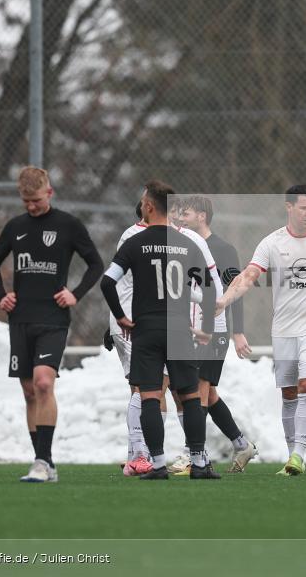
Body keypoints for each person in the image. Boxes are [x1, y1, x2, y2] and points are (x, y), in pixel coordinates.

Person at [215, 185, 306, 476]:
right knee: (289, 392)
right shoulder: (272, 243)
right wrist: (224, 300)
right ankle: (294, 453)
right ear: (289, 207)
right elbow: (248, 276)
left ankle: (297, 456)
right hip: (284, 328)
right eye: (303, 207)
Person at [0, 166, 104, 483]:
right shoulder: (15, 227)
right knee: (27, 392)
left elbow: (96, 263)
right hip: (21, 319)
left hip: (53, 319)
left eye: (36, 200)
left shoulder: (68, 225)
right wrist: (1, 295)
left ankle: (43, 461)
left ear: (49, 193)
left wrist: (75, 293)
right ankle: (44, 463)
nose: (31, 206)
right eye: (26, 201)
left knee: (43, 383)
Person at [100, 180, 219, 480]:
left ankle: (157, 465)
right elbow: (208, 290)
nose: (140, 205)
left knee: (150, 396)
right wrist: (204, 327)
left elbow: (107, 282)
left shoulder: (133, 241)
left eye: (142, 201)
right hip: (179, 328)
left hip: (146, 329)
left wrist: (120, 317)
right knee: (190, 397)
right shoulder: (188, 242)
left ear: (149, 206)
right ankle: (200, 464)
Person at [174, 195, 258, 474]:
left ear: (201, 216)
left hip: (217, 331)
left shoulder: (223, 249)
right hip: (191, 330)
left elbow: (238, 290)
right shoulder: (182, 246)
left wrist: (239, 331)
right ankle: (241, 444)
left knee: (197, 391)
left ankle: (191, 454)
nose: (180, 218)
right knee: (207, 395)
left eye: (185, 214)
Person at [103, 201, 153, 476]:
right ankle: (141, 456)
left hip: (126, 320)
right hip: (132, 323)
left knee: (140, 387)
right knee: (145, 388)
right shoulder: (137, 237)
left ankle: (136, 452)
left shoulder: (131, 235)